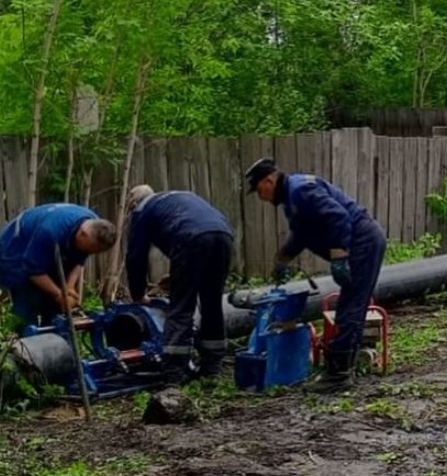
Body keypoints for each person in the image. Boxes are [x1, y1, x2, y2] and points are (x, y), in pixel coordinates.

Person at [245, 158, 386, 393]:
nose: (261, 197)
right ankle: (349, 359)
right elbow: (301, 234)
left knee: (351, 304)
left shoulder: (301, 191)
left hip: (362, 243)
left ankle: (338, 375)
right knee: (350, 303)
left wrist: (339, 256)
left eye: (260, 190)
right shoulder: (293, 196)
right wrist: (283, 258)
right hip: (359, 243)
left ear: (269, 180)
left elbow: (338, 217)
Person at [124, 185, 235, 380]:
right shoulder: (176, 198)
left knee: (181, 306)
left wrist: (138, 294)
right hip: (222, 234)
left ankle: (175, 371)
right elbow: (191, 228)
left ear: (133, 202)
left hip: (191, 238)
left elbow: (136, 256)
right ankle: (212, 364)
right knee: (212, 302)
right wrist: (176, 274)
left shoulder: (142, 210)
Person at [0, 203, 117, 327]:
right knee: (27, 307)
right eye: (91, 249)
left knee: (54, 313)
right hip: (16, 250)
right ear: (83, 234)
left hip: (45, 249)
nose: (91, 253)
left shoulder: (94, 225)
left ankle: (53, 338)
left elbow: (80, 258)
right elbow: (33, 271)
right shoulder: (50, 231)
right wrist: (60, 295)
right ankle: (27, 342)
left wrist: (69, 287)